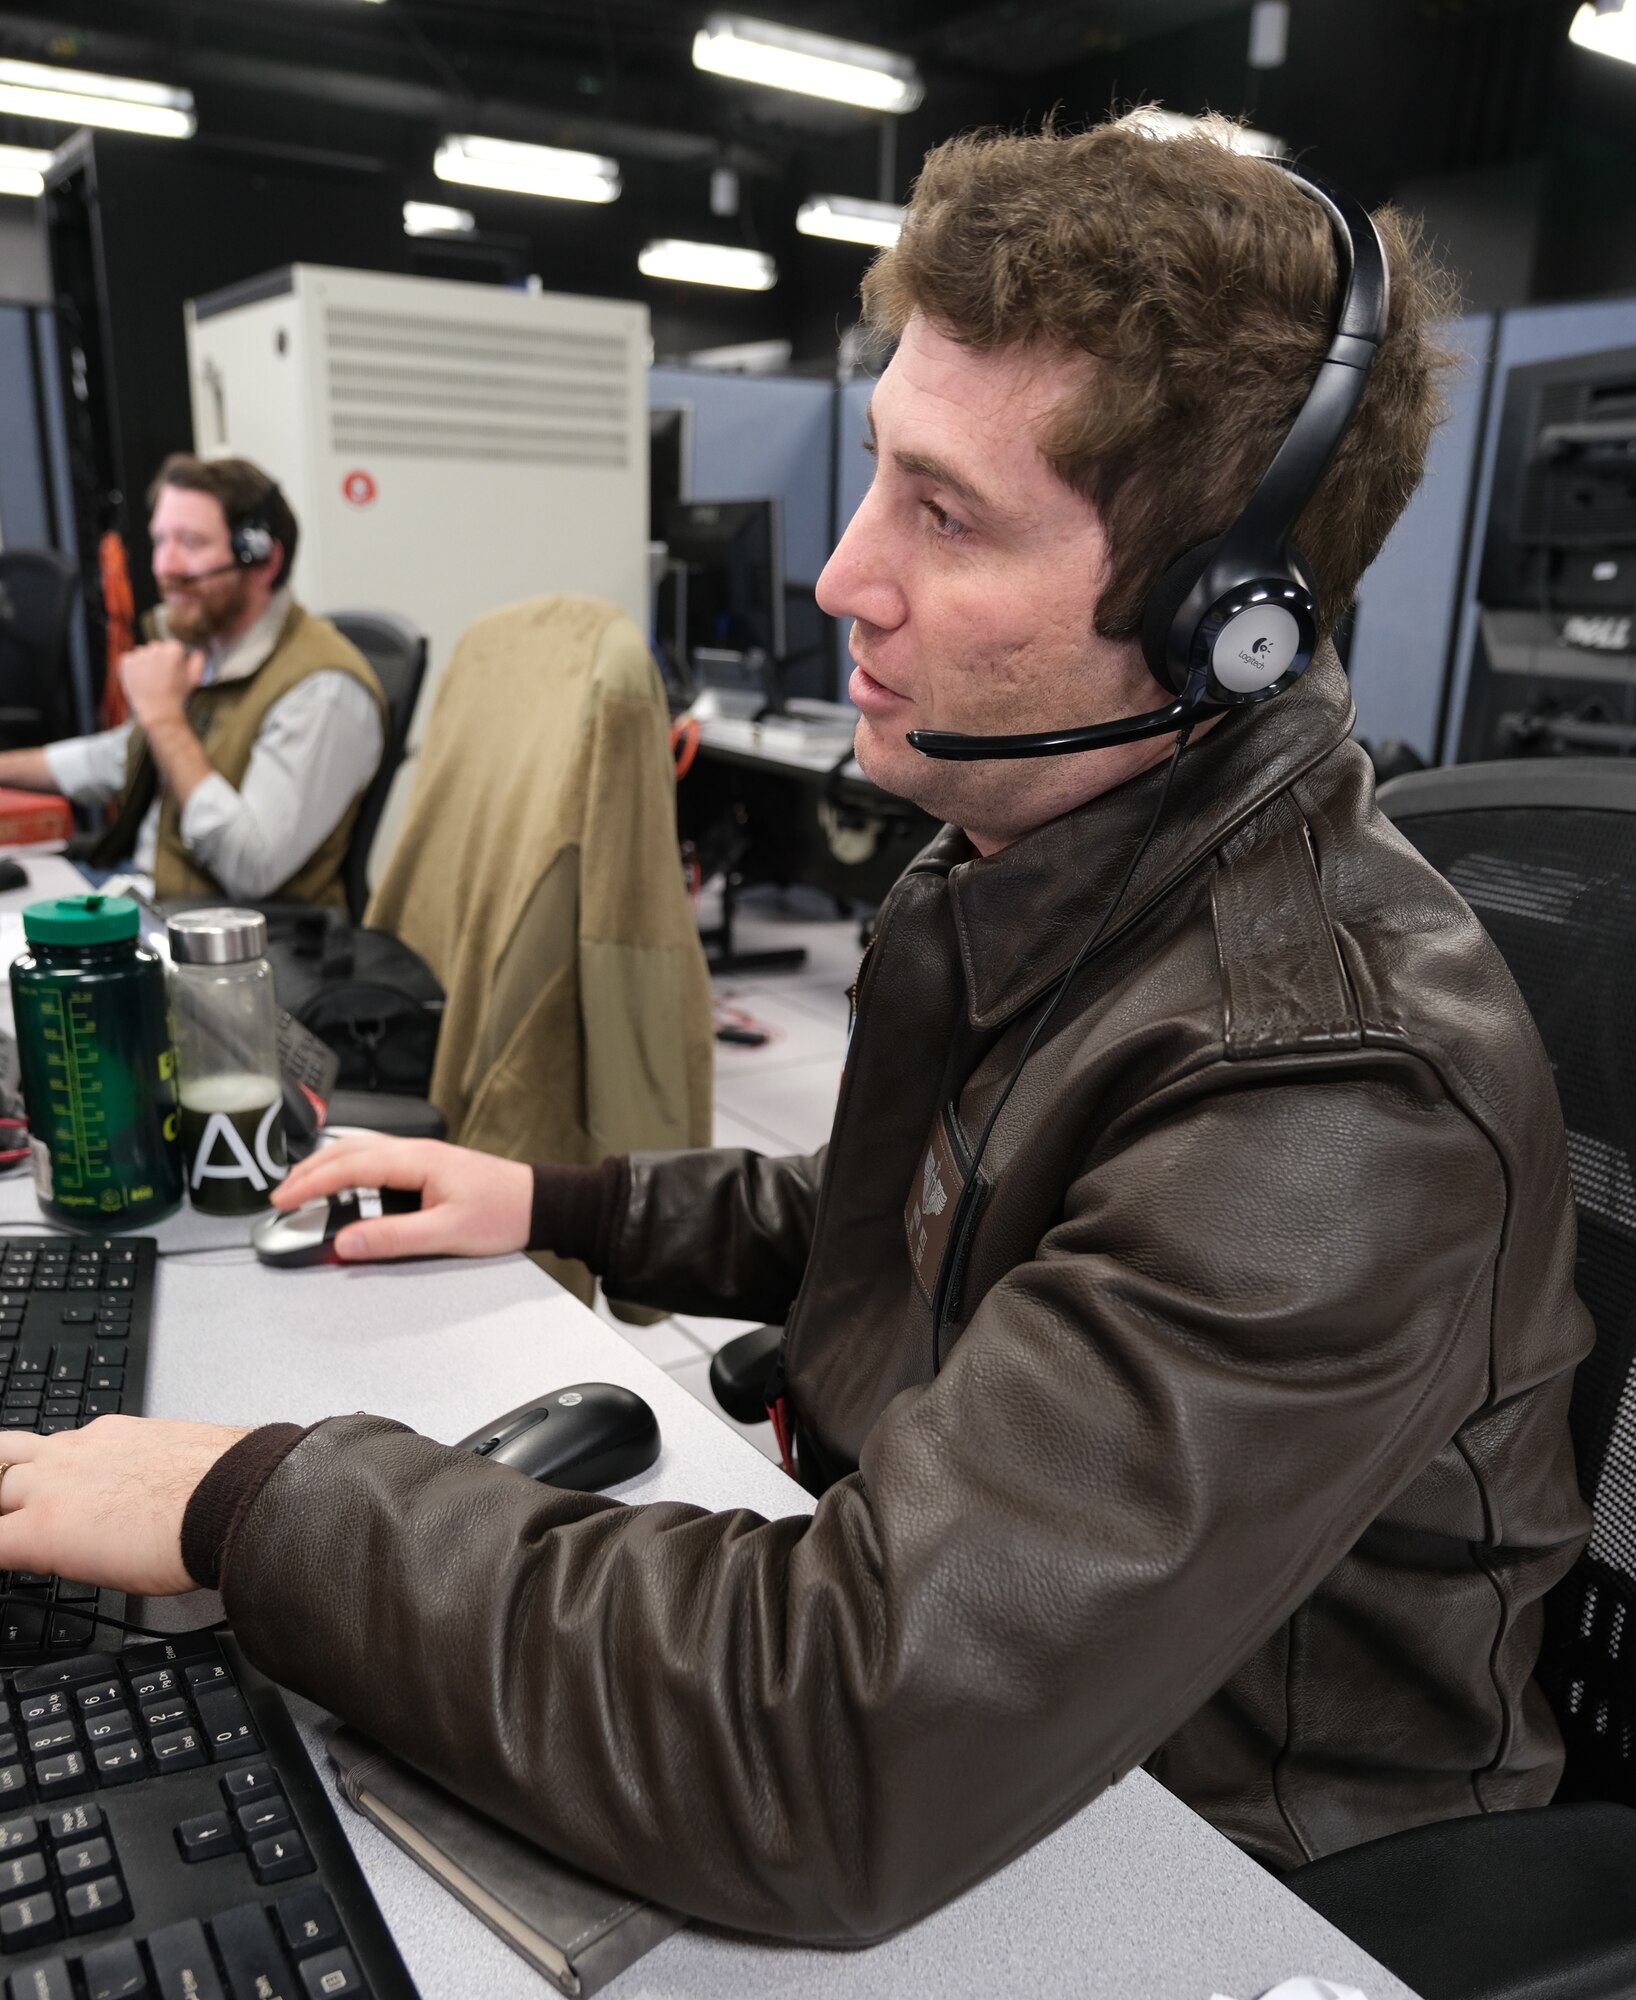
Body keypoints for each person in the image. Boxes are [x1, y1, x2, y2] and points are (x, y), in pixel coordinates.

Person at [0, 120, 1593, 1943]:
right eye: (874, 478)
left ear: (1218, 624)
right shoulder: (1050, 855)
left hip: (1232, 1865)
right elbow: (912, 1210)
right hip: (1023, 1716)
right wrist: (548, 1198)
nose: (844, 576)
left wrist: (251, 1504)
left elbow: (831, 1746)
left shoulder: (1335, 1093)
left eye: (944, 512)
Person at [0, 455, 386, 906]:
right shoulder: (213, 649)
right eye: (160, 541)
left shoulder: (325, 691)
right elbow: (121, 759)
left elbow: (253, 866)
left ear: (262, 559)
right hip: (140, 891)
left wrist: (165, 718)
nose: (165, 566)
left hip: (220, 939)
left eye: (192, 542)